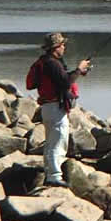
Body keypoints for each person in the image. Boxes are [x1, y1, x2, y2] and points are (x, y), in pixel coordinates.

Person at [34, 32, 91, 187]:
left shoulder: (49, 62)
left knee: (52, 142)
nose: (64, 47)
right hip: (54, 108)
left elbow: (62, 78)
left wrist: (79, 72)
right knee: (58, 142)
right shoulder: (52, 63)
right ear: (55, 47)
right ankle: (54, 177)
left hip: (49, 107)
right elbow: (65, 82)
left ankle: (50, 174)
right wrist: (79, 69)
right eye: (62, 44)